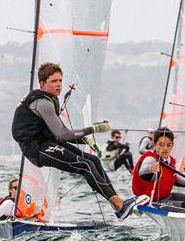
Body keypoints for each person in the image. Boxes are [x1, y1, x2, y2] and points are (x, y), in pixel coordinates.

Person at [11, 62, 149, 221]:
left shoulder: (51, 99)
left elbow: (61, 132)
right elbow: (62, 134)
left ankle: (119, 206)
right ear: (42, 84)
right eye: (54, 81)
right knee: (85, 165)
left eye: (60, 80)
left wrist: (87, 139)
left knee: (93, 160)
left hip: (46, 141)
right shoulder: (42, 103)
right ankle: (119, 204)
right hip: (35, 148)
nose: (59, 85)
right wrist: (92, 129)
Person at [131, 127, 185, 212]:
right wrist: (150, 168)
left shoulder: (170, 160)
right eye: (161, 144)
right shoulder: (150, 158)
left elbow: (175, 178)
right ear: (154, 145)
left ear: (172, 145)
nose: (165, 148)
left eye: (168, 145)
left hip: (167, 198)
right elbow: (142, 170)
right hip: (153, 202)